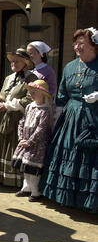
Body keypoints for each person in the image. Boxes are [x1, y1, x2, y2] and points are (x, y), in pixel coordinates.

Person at [39, 28, 98, 213]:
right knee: (67, 154)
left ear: (94, 46)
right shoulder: (70, 66)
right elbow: (63, 94)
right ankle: (66, 197)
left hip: (94, 117)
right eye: (76, 43)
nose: (77, 47)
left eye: (82, 44)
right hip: (71, 118)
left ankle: (88, 202)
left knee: (90, 157)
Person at [0, 48, 38, 187]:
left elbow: (30, 99)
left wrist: (10, 105)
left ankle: (14, 180)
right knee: (3, 144)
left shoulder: (31, 78)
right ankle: (2, 177)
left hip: (19, 118)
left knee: (14, 145)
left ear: (25, 63)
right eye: (12, 61)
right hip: (4, 116)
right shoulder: (8, 78)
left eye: (17, 61)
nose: (14, 63)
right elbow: (2, 94)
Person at [11, 80, 52, 202]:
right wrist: (21, 137)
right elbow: (22, 121)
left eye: (35, 92)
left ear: (43, 94)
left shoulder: (45, 110)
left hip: (36, 144)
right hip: (25, 141)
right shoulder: (29, 106)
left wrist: (30, 141)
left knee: (34, 169)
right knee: (26, 166)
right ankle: (26, 187)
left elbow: (41, 128)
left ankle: (35, 191)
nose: (32, 95)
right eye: (31, 92)